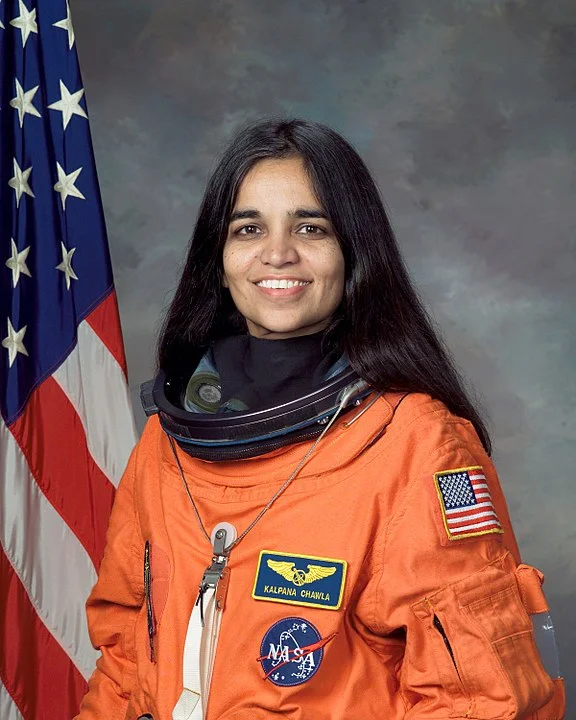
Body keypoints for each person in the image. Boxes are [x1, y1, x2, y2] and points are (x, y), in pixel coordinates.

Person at [76, 119, 565, 720]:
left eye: (311, 228)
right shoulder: (169, 438)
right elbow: (125, 660)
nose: (277, 253)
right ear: (220, 257)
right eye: (248, 228)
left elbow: (481, 698)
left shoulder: (416, 443)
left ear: (353, 251)